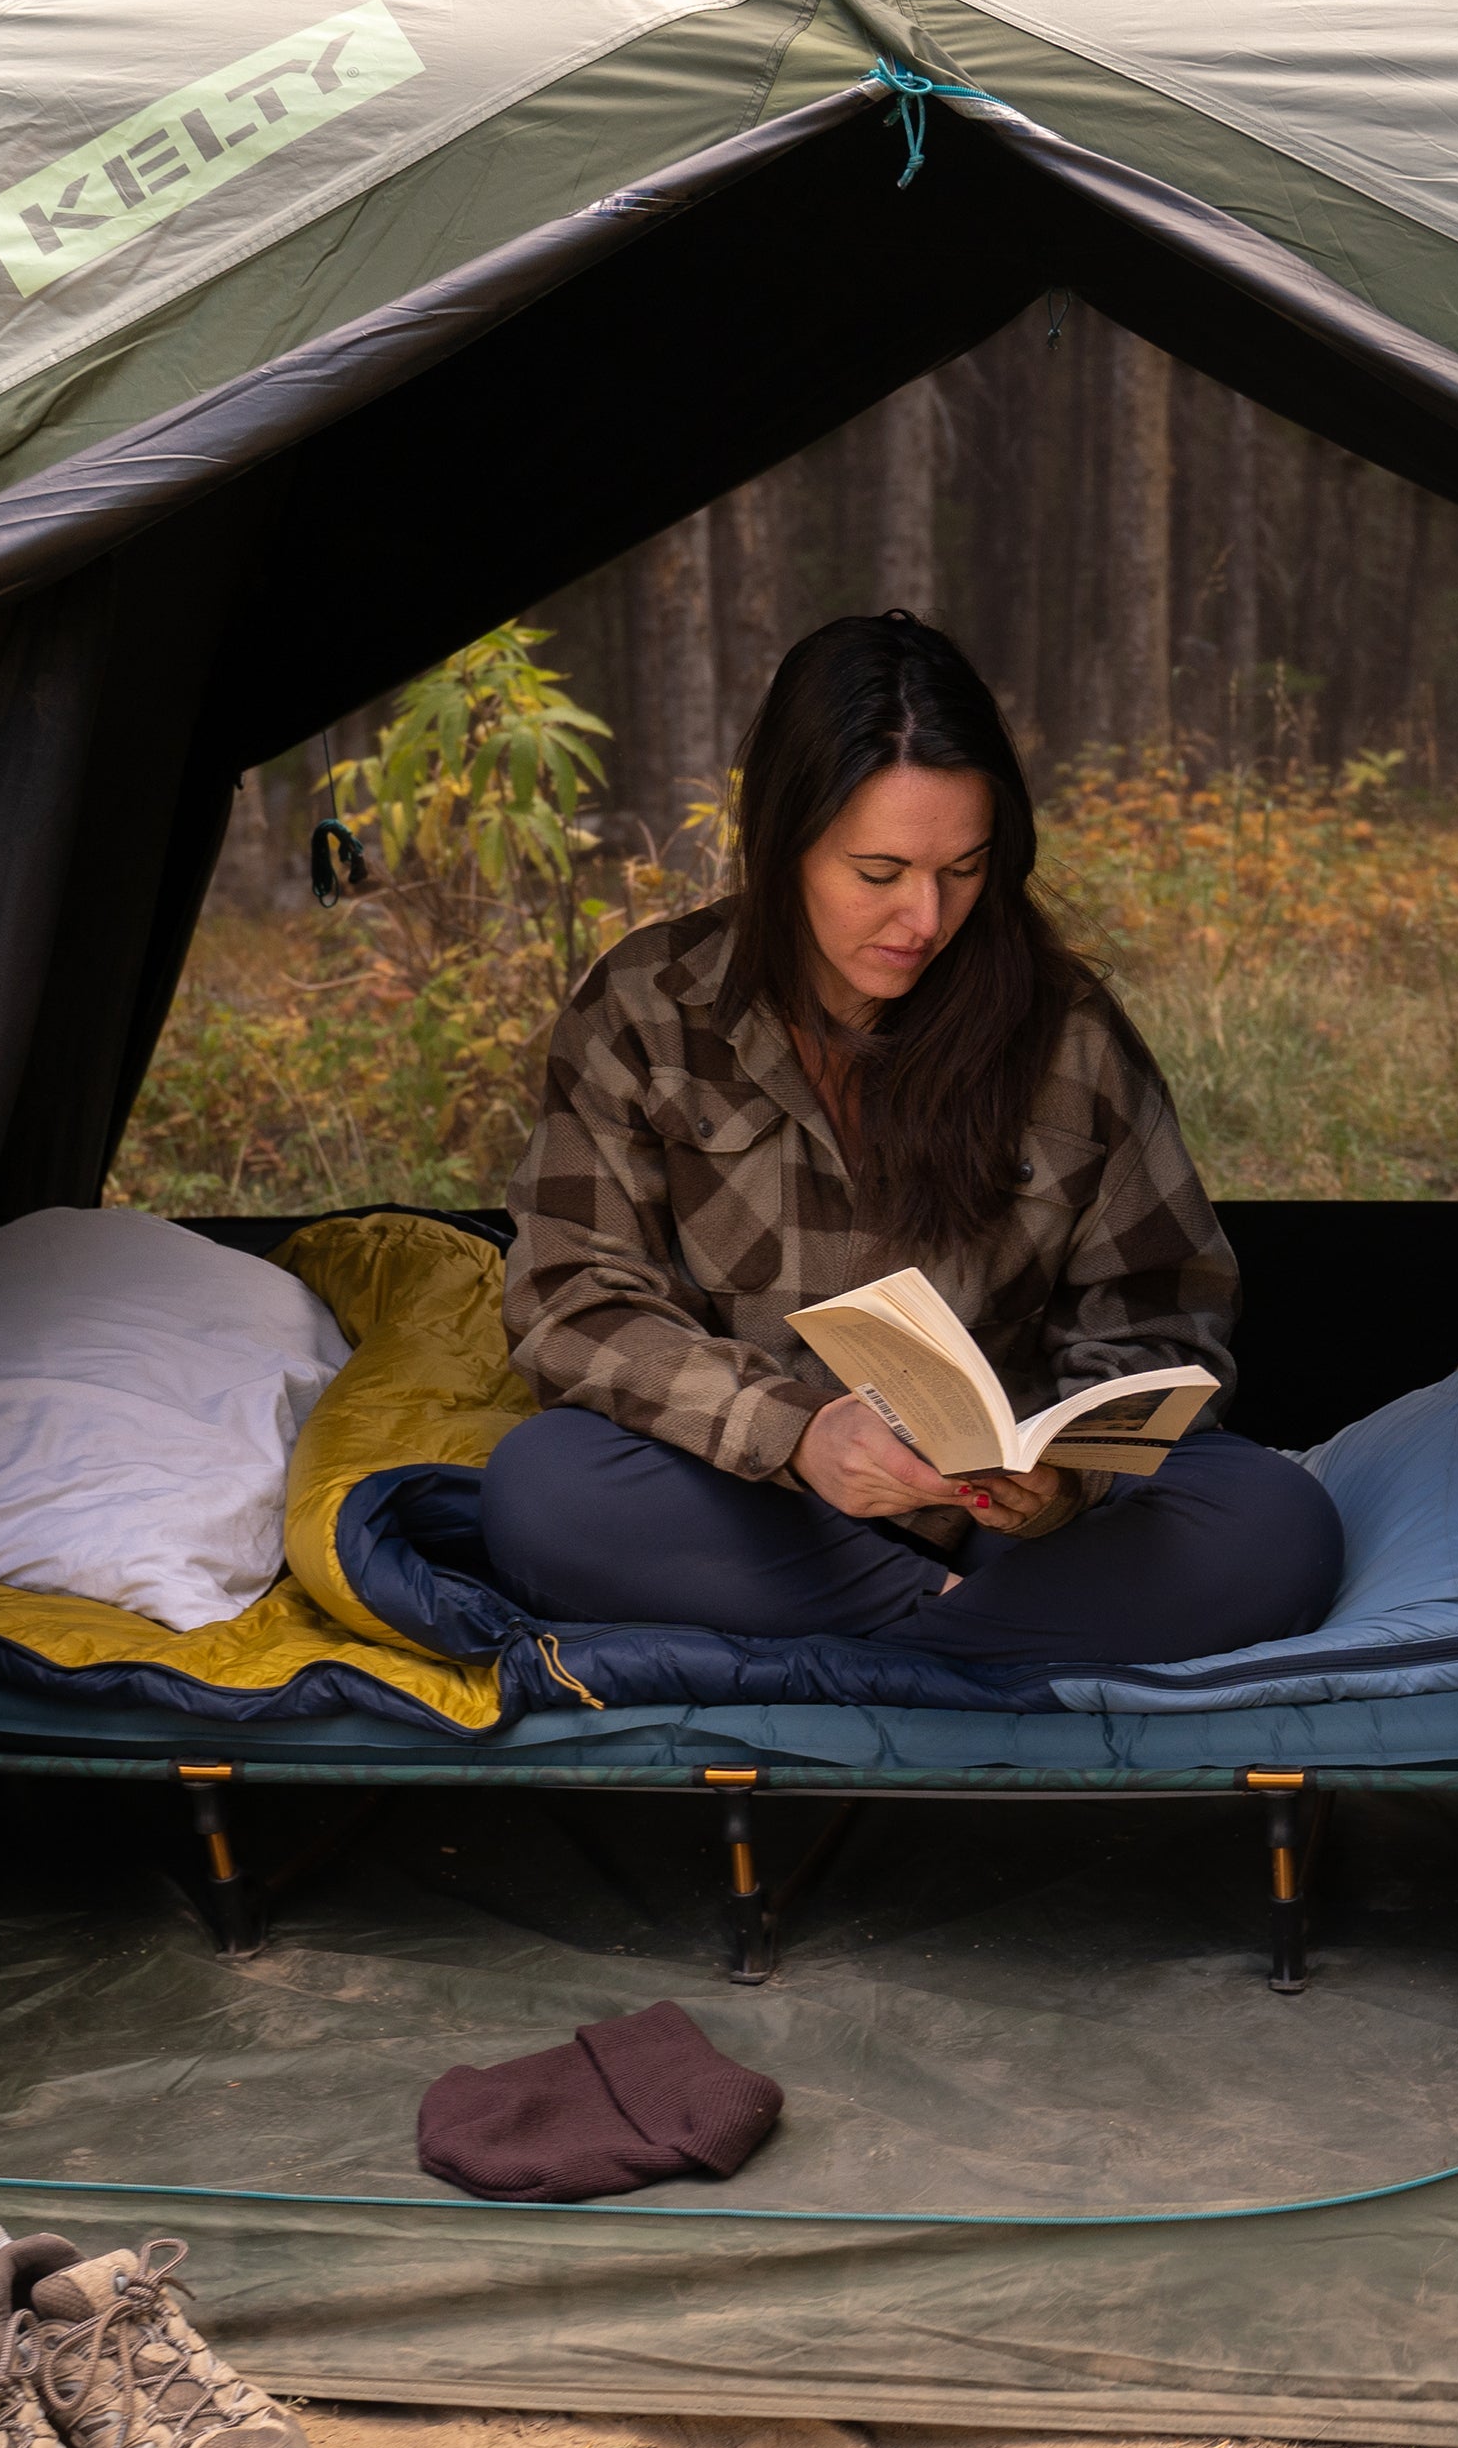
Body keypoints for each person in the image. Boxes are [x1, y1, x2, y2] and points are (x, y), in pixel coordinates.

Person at [483, 611, 1345, 1668]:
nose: (925, 921)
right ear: (784, 842)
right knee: (545, 1489)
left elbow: (1166, 1313)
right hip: (756, 1513)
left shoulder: (1063, 1029)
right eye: (879, 873)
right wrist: (795, 1435)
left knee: (1276, 1525)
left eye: (965, 870)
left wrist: (1063, 1480)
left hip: (1008, 1541)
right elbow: (573, 1298)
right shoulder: (647, 1006)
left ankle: (890, 1650)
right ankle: (967, 1655)